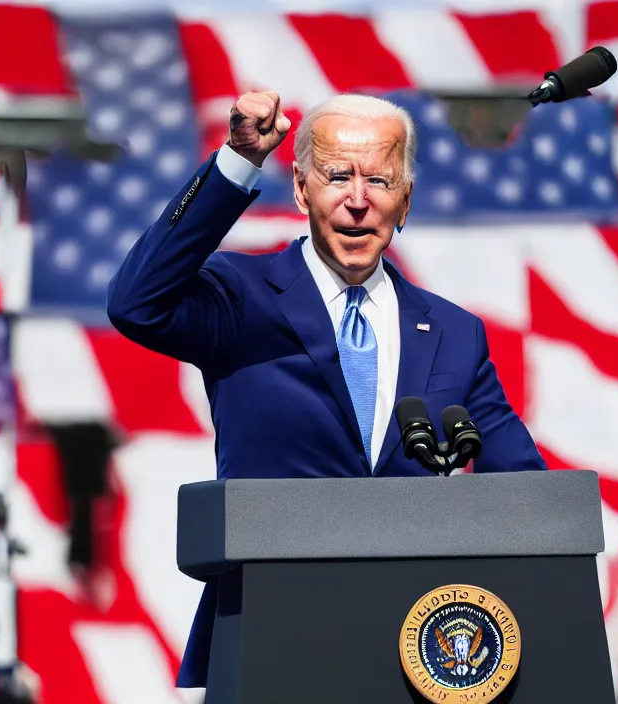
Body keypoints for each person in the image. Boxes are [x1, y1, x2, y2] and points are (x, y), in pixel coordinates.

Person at [106, 90, 547, 687]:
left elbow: (529, 497)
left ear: (406, 201)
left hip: (419, 651)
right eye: (338, 176)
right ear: (300, 188)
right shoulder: (243, 295)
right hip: (270, 633)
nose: (358, 201)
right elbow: (137, 303)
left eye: (380, 182)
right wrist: (237, 159)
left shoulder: (454, 332)